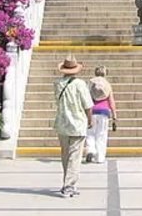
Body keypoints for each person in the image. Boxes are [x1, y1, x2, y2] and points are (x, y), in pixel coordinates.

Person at [53, 55, 93, 198]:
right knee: (74, 156)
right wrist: (90, 119)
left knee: (65, 155)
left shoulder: (57, 83)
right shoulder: (80, 84)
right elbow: (87, 105)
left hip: (62, 123)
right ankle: (69, 185)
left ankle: (68, 182)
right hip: (77, 123)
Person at [85, 66, 118, 164]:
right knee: (101, 135)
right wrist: (114, 115)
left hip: (92, 110)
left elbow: (86, 98)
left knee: (90, 133)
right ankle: (100, 157)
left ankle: (91, 150)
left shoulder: (91, 83)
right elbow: (111, 101)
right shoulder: (107, 85)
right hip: (104, 111)